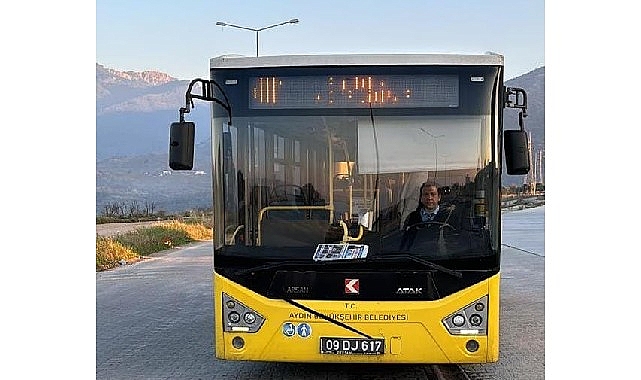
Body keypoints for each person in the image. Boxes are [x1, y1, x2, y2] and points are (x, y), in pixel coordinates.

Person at [399, 181, 456, 251]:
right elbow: (405, 241)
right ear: (421, 198)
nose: (429, 198)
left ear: (439, 197)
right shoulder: (412, 217)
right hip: (415, 256)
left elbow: (454, 242)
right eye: (426, 194)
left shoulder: (449, 216)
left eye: (433, 194)